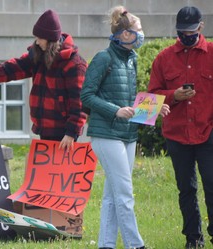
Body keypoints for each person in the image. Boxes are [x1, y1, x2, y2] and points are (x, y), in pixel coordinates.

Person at [81, 6, 169, 249]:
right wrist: (114, 110)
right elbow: (86, 96)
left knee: (112, 195)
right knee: (125, 194)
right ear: (125, 34)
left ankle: (106, 245)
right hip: (106, 134)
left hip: (128, 134)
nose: (142, 34)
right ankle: (135, 245)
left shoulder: (133, 59)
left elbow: (129, 100)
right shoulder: (103, 58)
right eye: (138, 30)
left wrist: (154, 109)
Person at [0, 9, 87, 151]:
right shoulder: (39, 56)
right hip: (44, 129)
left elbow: (80, 103)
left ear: (51, 39)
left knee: (63, 173)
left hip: (65, 133)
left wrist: (71, 132)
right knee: (45, 173)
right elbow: (12, 68)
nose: (37, 42)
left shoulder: (74, 64)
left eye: (40, 38)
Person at [148, 6, 213, 249]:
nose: (187, 36)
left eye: (191, 31)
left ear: (201, 27)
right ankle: (193, 239)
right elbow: (150, 98)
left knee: (212, 186)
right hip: (177, 134)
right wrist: (173, 96)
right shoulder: (163, 58)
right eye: (182, 32)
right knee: (186, 189)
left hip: (208, 131)